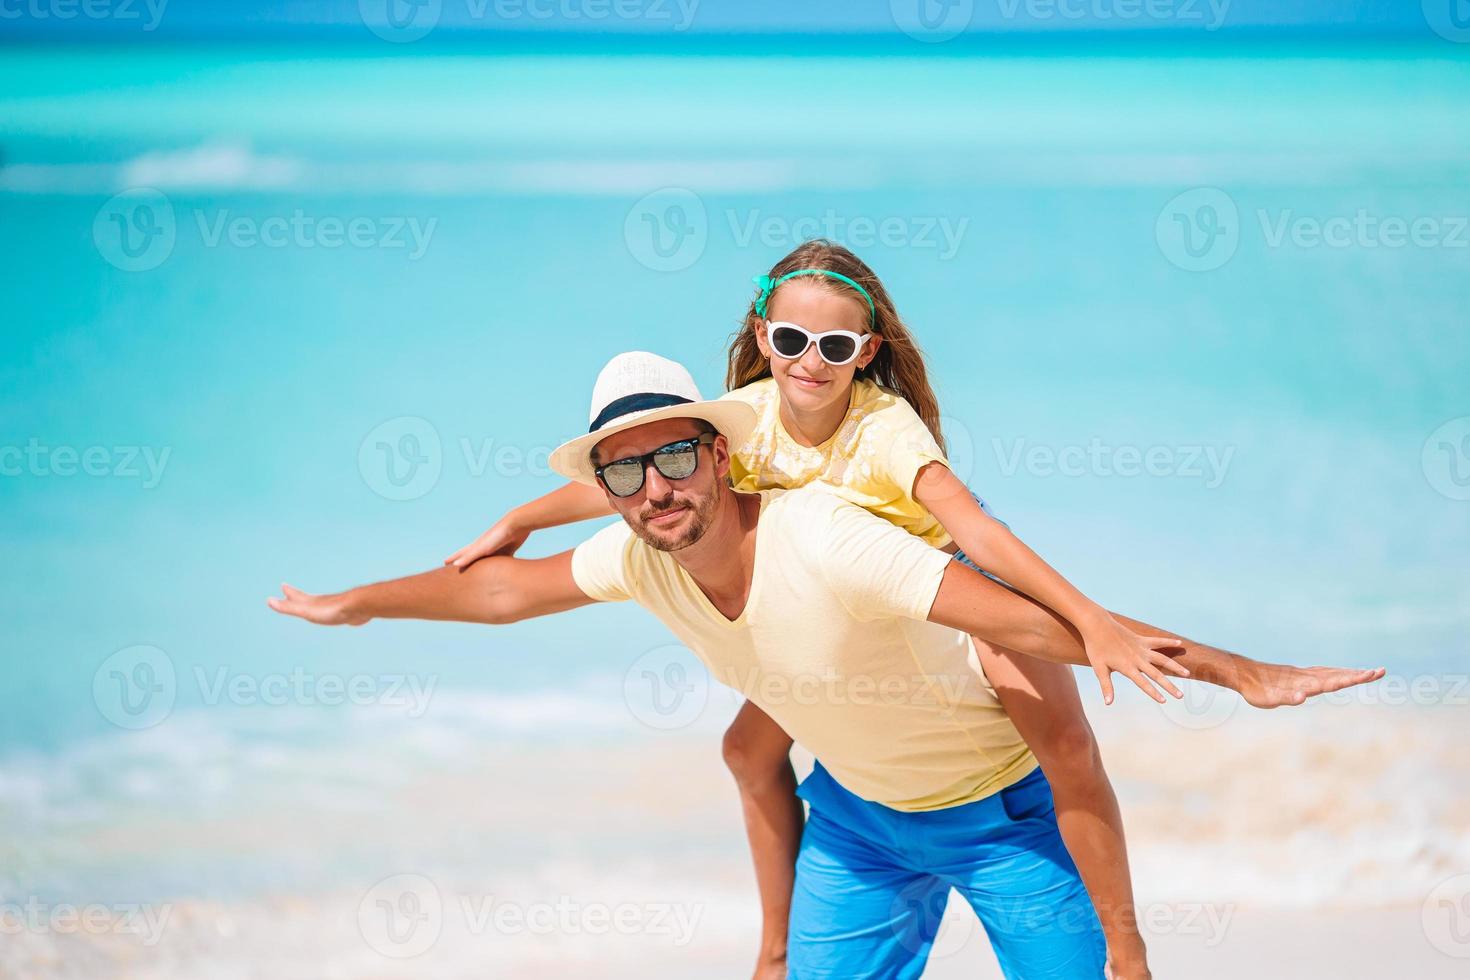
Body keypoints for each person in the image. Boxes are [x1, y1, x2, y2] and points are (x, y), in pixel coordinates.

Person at [269, 351, 1383, 979]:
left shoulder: (831, 536)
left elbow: (1041, 621)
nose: (655, 488)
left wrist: (1238, 669)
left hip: (1004, 819)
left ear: (719, 450)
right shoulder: (638, 557)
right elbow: (503, 588)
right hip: (852, 823)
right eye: (626, 473)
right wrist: (360, 604)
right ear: (605, 491)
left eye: (673, 454)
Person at [440, 242, 1213, 978]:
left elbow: (975, 525)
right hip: (831, 606)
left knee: (1064, 743)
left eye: (835, 348)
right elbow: (628, 466)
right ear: (763, 337)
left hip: (939, 579)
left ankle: (1127, 953)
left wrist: (1091, 616)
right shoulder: (746, 416)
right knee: (747, 748)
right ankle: (777, 951)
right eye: (792, 339)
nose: (812, 361)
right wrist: (521, 520)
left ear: (865, 354)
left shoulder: (884, 426)